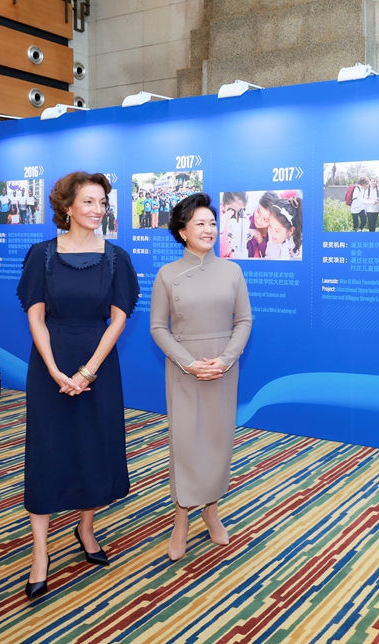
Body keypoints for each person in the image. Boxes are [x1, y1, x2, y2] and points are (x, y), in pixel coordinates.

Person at [17, 171, 139, 600]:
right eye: (88, 202)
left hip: (98, 362)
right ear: (67, 207)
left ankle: (85, 529)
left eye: (103, 203)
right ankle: (39, 552)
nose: (97, 210)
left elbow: (119, 319)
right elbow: (35, 316)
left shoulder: (115, 258)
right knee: (47, 452)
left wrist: (88, 371)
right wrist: (54, 370)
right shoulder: (42, 255)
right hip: (49, 361)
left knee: (93, 447)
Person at [150, 193, 252, 561]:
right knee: (185, 443)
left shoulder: (233, 271)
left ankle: (212, 510)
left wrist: (225, 360)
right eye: (200, 224)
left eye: (212, 223)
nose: (209, 230)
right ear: (182, 231)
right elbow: (158, 327)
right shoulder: (167, 275)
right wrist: (187, 362)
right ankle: (180, 520)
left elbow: (244, 321)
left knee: (217, 440)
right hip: (184, 369)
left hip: (224, 369)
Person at [247, 190, 276, 258]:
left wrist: (260, 239)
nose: (259, 220)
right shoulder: (245, 223)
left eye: (265, 220)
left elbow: (270, 257)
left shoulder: (274, 234)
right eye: (258, 212)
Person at [219, 191, 248, 259]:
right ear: (223, 205)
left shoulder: (243, 221)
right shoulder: (215, 219)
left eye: (240, 212)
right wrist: (218, 230)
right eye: (232, 211)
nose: (236, 217)